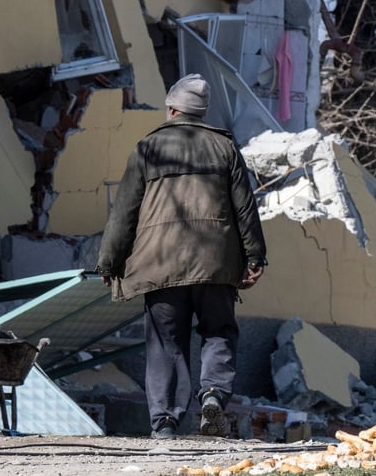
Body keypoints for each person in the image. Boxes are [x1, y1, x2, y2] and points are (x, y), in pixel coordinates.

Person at [95, 73, 267, 440]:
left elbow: (124, 213)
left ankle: (166, 424)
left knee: (165, 342)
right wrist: (255, 258)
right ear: (201, 112)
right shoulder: (225, 149)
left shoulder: (148, 149)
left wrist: (109, 262)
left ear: (172, 109)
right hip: (216, 263)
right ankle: (213, 396)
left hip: (159, 264)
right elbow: (245, 210)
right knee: (218, 331)